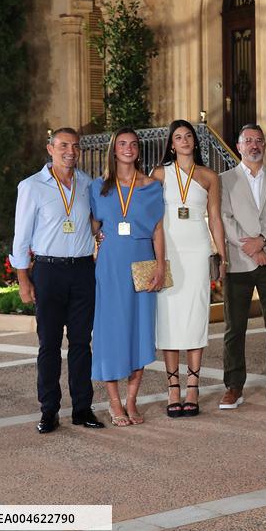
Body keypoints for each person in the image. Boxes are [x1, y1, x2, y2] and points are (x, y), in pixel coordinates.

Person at [11, 128, 104, 434]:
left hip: (81, 272)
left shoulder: (88, 184)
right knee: (48, 345)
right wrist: (24, 280)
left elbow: (92, 224)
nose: (71, 151)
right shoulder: (32, 186)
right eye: (64, 145)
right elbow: (21, 237)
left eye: (75, 146)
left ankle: (81, 408)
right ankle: (49, 410)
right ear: (49, 148)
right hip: (48, 272)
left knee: (81, 343)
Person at [90, 128, 166, 426]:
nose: (128, 148)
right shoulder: (99, 187)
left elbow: (158, 230)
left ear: (138, 150)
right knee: (110, 333)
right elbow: (93, 225)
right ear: (114, 149)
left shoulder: (151, 186)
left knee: (138, 331)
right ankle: (113, 403)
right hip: (110, 266)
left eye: (133, 144)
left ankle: (132, 400)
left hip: (142, 262)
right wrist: (98, 238)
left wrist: (160, 265)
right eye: (122, 144)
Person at [152, 120, 227, 418]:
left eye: (188, 136)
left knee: (196, 317)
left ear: (195, 142)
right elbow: (150, 216)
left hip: (197, 251)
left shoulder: (209, 176)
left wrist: (222, 255)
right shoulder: (158, 174)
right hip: (167, 252)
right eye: (177, 137)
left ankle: (192, 386)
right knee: (168, 320)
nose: (183, 140)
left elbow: (216, 218)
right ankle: (173, 387)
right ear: (171, 144)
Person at [219, 124, 266, 409]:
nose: (254, 145)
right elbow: (225, 218)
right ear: (238, 146)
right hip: (239, 262)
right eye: (248, 141)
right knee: (234, 327)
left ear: (265, 145)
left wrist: (262, 242)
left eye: (259, 141)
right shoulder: (225, 180)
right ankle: (233, 387)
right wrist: (250, 248)